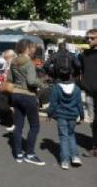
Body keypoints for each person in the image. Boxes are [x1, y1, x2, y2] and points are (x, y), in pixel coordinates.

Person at [8, 39, 45, 166]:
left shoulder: (13, 61)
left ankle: (18, 154)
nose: (34, 50)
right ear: (27, 48)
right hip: (28, 96)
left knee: (18, 125)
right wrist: (41, 83)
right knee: (35, 126)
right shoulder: (29, 62)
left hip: (16, 95)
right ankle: (29, 154)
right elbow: (31, 81)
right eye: (33, 47)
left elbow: (10, 79)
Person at [47, 70, 84, 169]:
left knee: (63, 137)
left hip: (61, 115)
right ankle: (75, 156)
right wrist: (82, 116)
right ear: (70, 76)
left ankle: (65, 161)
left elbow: (53, 103)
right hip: (73, 115)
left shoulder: (56, 88)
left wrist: (49, 114)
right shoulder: (76, 88)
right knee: (71, 134)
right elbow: (79, 104)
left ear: (60, 77)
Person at [78, 28, 97, 157]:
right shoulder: (85, 54)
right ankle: (95, 147)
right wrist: (83, 84)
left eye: (92, 38)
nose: (89, 40)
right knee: (93, 121)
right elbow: (82, 71)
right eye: (88, 38)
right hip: (90, 93)